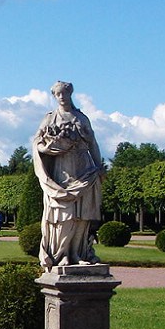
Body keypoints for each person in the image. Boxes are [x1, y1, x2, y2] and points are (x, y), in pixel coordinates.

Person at [32, 81, 104, 271]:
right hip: (62, 171)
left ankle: (77, 254)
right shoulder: (49, 119)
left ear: (70, 93)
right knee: (65, 216)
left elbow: (93, 144)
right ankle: (62, 254)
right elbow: (37, 143)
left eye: (64, 93)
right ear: (54, 97)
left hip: (84, 169)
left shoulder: (81, 118)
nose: (61, 97)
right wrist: (47, 147)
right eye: (57, 94)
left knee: (82, 216)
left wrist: (98, 166)